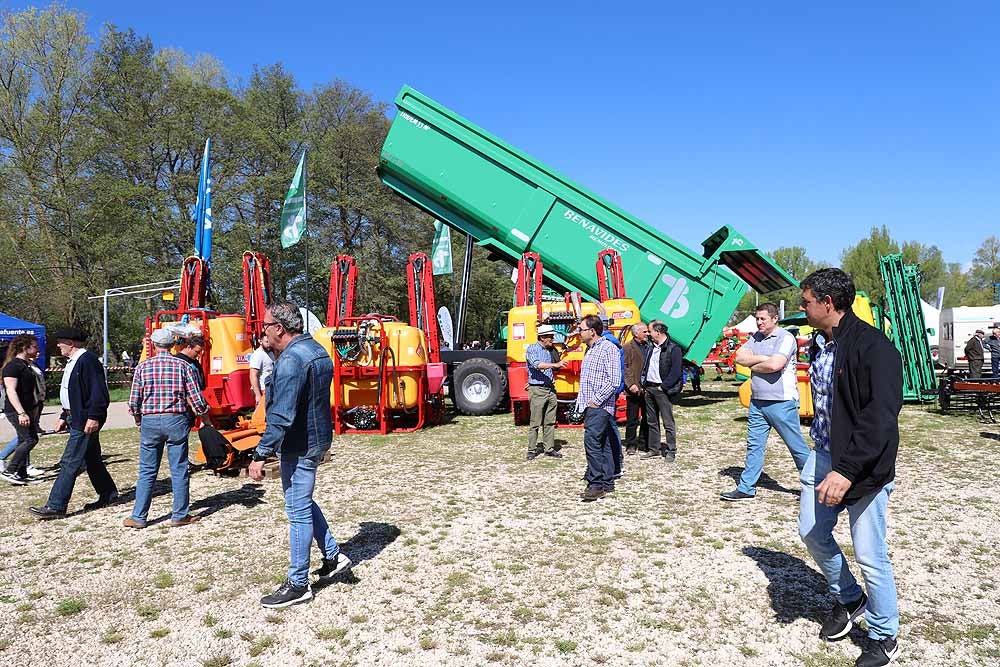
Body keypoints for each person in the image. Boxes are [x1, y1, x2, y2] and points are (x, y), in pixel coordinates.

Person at [798, 268, 902, 667]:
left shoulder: (874, 348)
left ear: (828, 303)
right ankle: (850, 598)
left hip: (862, 465)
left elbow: (880, 417)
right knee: (811, 532)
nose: (802, 308)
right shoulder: (819, 343)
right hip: (822, 453)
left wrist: (846, 471)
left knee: (871, 555)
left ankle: (884, 635)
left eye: (806, 302)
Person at [249, 302, 352, 608]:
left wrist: (260, 453)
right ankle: (333, 556)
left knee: (297, 511)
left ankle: (298, 584)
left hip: (300, 443)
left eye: (265, 325)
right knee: (302, 502)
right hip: (317, 438)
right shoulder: (317, 350)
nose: (262, 330)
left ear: (279, 328)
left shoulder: (292, 360)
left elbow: (281, 415)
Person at [720, 303, 811, 502]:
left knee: (796, 447)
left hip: (782, 402)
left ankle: (814, 486)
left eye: (763, 319)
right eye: (757, 319)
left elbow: (775, 365)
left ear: (774, 319)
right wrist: (762, 358)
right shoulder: (755, 337)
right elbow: (740, 358)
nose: (759, 322)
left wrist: (755, 362)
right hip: (758, 402)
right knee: (754, 446)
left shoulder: (785, 338)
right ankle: (746, 487)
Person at [124, 328, 210, 529]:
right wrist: (204, 416)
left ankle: (138, 516)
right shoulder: (183, 366)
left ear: (153, 345)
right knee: (179, 468)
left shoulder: (142, 367)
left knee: (146, 470)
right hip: (176, 419)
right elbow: (196, 399)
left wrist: (139, 420)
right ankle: (180, 514)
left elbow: (134, 401)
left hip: (150, 420)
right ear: (173, 345)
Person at [29, 327, 119, 519]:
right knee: (92, 460)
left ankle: (56, 506)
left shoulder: (87, 361)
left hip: (84, 418)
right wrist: (64, 415)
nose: (59, 345)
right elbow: (72, 392)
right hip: (76, 416)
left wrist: (93, 417)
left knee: (70, 461)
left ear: (71, 343)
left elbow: (98, 393)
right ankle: (108, 494)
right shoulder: (74, 362)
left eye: (61, 341)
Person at [574, 314, 622, 502]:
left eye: (581, 329)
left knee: (592, 443)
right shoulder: (591, 350)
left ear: (592, 331)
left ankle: (596, 485)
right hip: (590, 405)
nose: (579, 333)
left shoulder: (608, 349)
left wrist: (596, 400)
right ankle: (607, 482)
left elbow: (614, 380)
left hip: (600, 406)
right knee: (604, 443)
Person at [1, 334, 46, 485]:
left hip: (28, 409)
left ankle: (21, 474)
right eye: (34, 346)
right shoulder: (13, 366)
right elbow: (11, 391)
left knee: (22, 440)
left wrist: (33, 409)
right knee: (30, 439)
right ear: (24, 348)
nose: (37, 349)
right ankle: (10, 470)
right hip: (16, 411)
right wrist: (21, 412)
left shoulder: (27, 365)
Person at [641, 322, 682, 462]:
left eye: (649, 331)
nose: (647, 334)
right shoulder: (650, 347)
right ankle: (654, 449)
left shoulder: (673, 348)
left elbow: (676, 371)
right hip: (649, 388)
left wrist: (663, 387)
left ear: (658, 332)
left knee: (668, 422)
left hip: (662, 389)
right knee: (651, 421)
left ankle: (671, 450)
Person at [524, 324, 566, 460]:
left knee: (550, 421)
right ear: (542, 337)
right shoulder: (532, 349)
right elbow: (536, 364)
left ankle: (549, 448)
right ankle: (531, 450)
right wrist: (555, 365)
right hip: (538, 390)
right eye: (550, 337)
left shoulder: (550, 350)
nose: (552, 339)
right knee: (535, 422)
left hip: (550, 389)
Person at [623, 322, 650, 455]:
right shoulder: (628, 347)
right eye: (644, 332)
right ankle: (631, 445)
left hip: (647, 388)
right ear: (636, 333)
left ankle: (644, 443)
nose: (647, 334)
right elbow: (625, 367)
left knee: (647, 417)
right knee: (632, 418)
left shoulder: (649, 346)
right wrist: (631, 384)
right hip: (633, 388)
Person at [249, 337, 276, 405]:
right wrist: (258, 395)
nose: (269, 344)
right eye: (267, 342)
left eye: (270, 341)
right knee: (262, 414)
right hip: (262, 389)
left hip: (270, 389)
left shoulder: (270, 353)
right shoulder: (258, 355)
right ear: (260, 341)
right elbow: (253, 375)